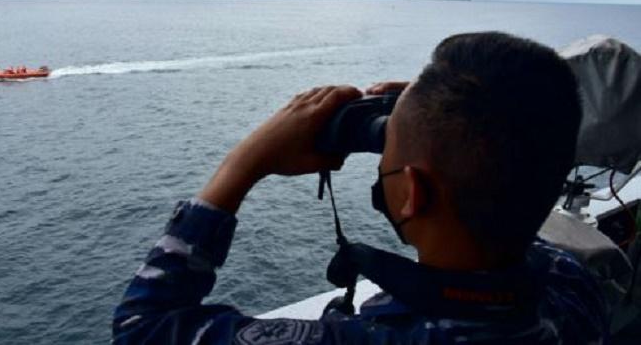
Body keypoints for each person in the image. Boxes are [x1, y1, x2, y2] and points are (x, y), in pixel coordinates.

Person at [113, 32, 607, 344]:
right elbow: (517, 179)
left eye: (388, 160)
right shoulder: (574, 291)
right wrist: (425, 128)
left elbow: (143, 328)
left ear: (411, 193)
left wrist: (244, 162)